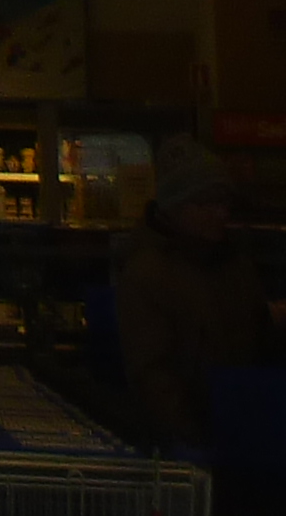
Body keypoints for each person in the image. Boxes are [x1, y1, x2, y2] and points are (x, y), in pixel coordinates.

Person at [115, 134, 271, 452]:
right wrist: (192, 441)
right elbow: (153, 375)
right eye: (206, 204)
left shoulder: (235, 264)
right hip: (190, 444)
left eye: (224, 202)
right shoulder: (148, 274)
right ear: (176, 207)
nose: (221, 213)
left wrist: (277, 325)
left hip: (236, 436)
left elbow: (255, 351)